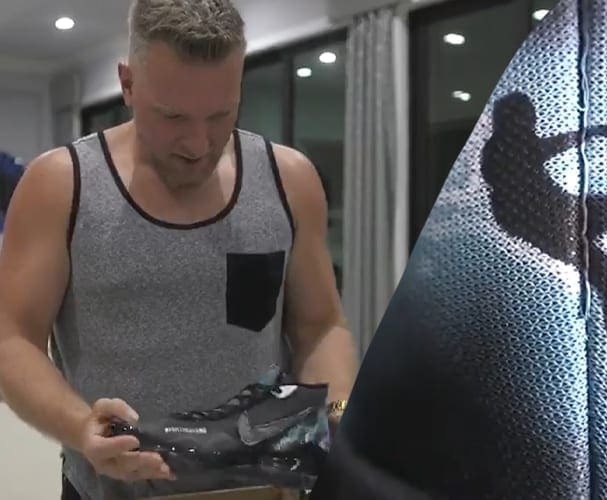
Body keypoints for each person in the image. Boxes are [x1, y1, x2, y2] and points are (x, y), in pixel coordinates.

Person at [0, 1, 358, 498]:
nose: (198, 144)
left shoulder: (289, 180)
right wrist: (81, 427)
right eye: (172, 116)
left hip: (256, 490)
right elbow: (12, 340)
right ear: (128, 84)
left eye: (221, 115)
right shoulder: (60, 185)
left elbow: (321, 328)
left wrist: (336, 413)